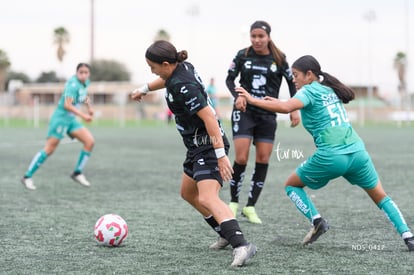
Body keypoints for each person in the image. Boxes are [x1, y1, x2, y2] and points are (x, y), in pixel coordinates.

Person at [237, 54, 414, 250]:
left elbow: (286, 107)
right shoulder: (328, 89)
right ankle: (408, 236)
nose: (293, 79)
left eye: (295, 75)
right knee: (381, 197)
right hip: (358, 153)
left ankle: (317, 221)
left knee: (291, 186)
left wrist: (252, 99)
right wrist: (274, 101)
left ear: (309, 75)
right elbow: (289, 104)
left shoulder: (309, 91)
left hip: (332, 156)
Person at [130, 40, 257, 267]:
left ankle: (241, 244)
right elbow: (164, 78)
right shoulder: (180, 68)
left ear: (167, 63)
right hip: (196, 146)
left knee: (208, 197)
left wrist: (220, 155)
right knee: (188, 193)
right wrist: (145, 88)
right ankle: (224, 232)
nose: (152, 70)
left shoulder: (182, 84)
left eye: (153, 66)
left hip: (208, 144)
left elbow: (209, 117)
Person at [226, 20, 300, 224]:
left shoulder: (279, 58)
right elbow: (229, 79)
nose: (257, 40)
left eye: (261, 36)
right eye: (254, 36)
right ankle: (233, 203)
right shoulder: (243, 55)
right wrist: (238, 96)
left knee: (263, 159)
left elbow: (292, 83)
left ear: (268, 37)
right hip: (245, 111)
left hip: (267, 114)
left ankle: (250, 207)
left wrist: (293, 108)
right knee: (241, 158)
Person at [21, 63, 95, 190]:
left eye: (86, 72)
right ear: (76, 73)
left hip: (71, 120)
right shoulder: (72, 85)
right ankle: (27, 177)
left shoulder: (85, 83)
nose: (83, 75)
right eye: (81, 72)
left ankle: (77, 172)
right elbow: (67, 105)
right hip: (60, 119)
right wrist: (84, 116)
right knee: (49, 149)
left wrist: (90, 108)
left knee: (89, 141)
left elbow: (84, 96)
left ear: (89, 74)